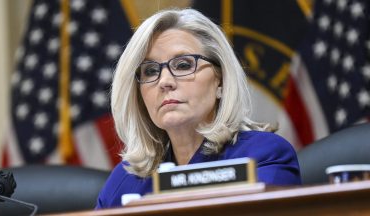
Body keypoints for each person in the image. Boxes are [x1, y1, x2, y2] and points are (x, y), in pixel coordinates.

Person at [96, 8, 301, 209]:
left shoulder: (264, 156)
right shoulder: (125, 180)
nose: (164, 82)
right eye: (150, 71)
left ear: (220, 81)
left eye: (183, 65)